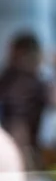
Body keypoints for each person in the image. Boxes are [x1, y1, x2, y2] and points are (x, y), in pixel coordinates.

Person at [0, 32, 47, 169]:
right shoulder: (24, 82)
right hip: (17, 152)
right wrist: (25, 161)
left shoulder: (7, 79)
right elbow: (18, 125)